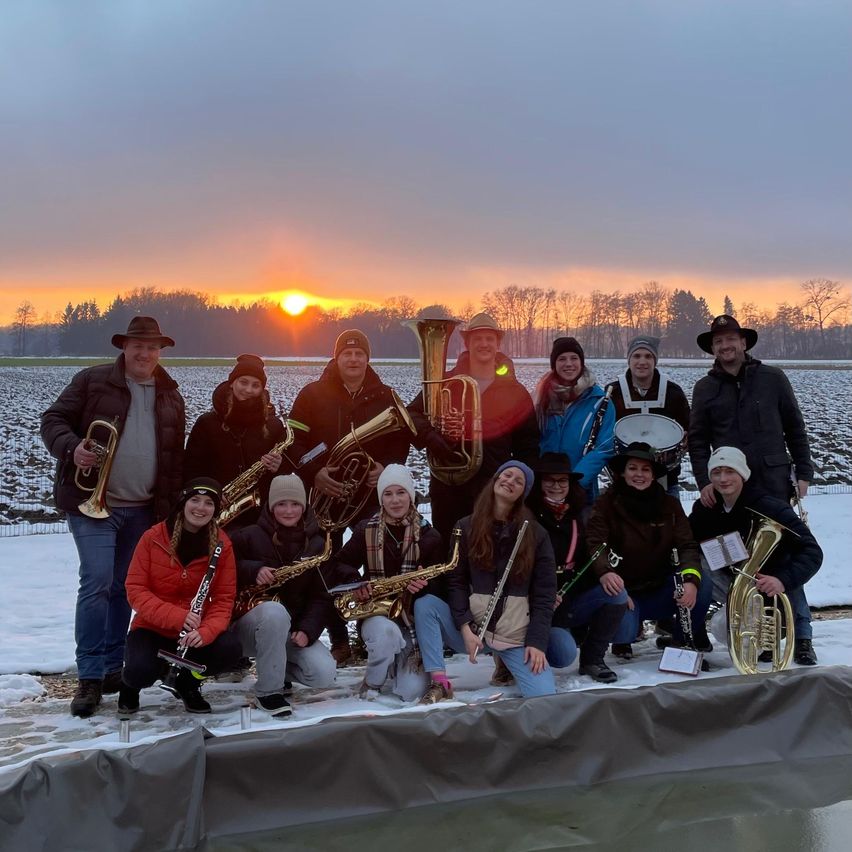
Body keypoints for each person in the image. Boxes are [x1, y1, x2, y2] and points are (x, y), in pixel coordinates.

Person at [40, 316, 185, 718]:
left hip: (143, 510)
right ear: (124, 348)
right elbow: (52, 420)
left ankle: (110, 667)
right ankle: (88, 675)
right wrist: (73, 449)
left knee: (125, 587)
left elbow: (174, 458)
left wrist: (171, 511)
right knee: (98, 582)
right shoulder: (92, 380)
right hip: (93, 505)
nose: (144, 353)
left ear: (161, 351)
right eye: (137, 345)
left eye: (152, 347)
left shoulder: (171, 394)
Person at [288, 329, 438, 665]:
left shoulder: (384, 395)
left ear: (367, 359)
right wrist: (316, 473)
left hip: (367, 498)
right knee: (325, 566)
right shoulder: (312, 394)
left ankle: (368, 630)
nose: (353, 360)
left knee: (375, 564)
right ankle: (339, 638)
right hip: (324, 495)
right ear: (337, 357)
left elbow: (401, 441)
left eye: (360, 354)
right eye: (347, 354)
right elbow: (294, 444)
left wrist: (385, 468)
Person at [689, 314, 817, 662]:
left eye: (731, 339)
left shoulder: (772, 378)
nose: (725, 346)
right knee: (739, 557)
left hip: (773, 484)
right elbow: (698, 441)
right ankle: (756, 627)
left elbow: (795, 427)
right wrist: (705, 482)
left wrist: (803, 471)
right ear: (712, 349)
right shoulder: (705, 388)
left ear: (743, 343)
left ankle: (801, 634)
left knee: (786, 554)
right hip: (730, 489)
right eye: (718, 342)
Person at [413, 461, 557, 703]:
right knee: (425, 605)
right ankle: (440, 682)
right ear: (495, 479)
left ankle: (507, 662)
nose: (510, 481)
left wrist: (536, 642)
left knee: (544, 697)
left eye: (518, 481)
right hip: (474, 632)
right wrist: (465, 627)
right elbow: (456, 582)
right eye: (506, 475)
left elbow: (545, 594)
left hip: (513, 635)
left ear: (524, 492)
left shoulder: (536, 533)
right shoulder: (465, 526)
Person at [408, 313, 540, 550]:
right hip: (449, 486)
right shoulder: (444, 382)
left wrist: (518, 484)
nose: (484, 344)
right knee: (449, 550)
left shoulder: (516, 391)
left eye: (490, 338)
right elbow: (411, 415)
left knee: (487, 551)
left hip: (493, 488)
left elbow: (528, 444)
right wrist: (431, 437)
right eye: (477, 338)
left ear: (498, 344)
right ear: (467, 343)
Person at [689, 447, 823, 666]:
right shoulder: (706, 508)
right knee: (697, 566)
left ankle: (801, 638)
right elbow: (688, 543)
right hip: (735, 581)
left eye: (730, 471)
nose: (723, 479)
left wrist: (782, 579)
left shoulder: (770, 506)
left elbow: (812, 551)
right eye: (717, 472)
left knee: (790, 562)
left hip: (773, 586)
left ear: (743, 474)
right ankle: (695, 634)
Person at [119, 479, 242, 715]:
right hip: (152, 628)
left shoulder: (222, 544)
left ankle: (188, 683)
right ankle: (129, 685)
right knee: (139, 671)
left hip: (194, 632)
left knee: (230, 649)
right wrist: (178, 616)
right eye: (195, 500)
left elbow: (224, 599)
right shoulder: (153, 537)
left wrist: (205, 632)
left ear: (215, 509)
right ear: (183, 503)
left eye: (208, 503)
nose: (200, 508)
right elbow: (135, 589)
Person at [323, 464, 444, 701]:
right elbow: (338, 565)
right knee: (386, 635)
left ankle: (394, 661)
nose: (395, 500)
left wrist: (423, 587)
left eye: (401, 493)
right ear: (381, 498)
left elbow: (441, 587)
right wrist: (358, 582)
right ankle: (373, 682)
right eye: (388, 494)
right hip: (376, 614)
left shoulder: (430, 536)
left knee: (411, 693)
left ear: (411, 495)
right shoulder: (365, 530)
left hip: (412, 619)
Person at [585, 442, 712, 659]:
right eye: (633, 468)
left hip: (661, 589)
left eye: (646, 469)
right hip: (623, 593)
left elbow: (687, 546)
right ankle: (623, 638)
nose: (639, 474)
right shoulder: (605, 504)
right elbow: (595, 544)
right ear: (623, 473)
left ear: (653, 475)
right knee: (623, 631)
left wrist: (691, 580)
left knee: (703, 583)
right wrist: (606, 573)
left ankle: (681, 642)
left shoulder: (670, 505)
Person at [229, 474, 337, 716]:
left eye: (295, 504)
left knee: (323, 675)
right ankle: (268, 692)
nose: (288, 511)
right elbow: (221, 571)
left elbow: (322, 596)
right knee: (275, 612)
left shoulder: (317, 544)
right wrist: (252, 570)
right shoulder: (246, 536)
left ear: (304, 506)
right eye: (281, 504)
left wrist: (308, 630)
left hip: (290, 630)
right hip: (246, 630)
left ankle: (274, 669)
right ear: (270, 506)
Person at [528, 453, 628, 683]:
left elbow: (593, 550)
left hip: (570, 601)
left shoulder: (579, 517)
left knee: (616, 593)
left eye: (562, 481)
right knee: (563, 654)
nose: (556, 486)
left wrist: (606, 573)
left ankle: (593, 659)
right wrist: (540, 595)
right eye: (550, 481)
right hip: (537, 609)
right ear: (540, 484)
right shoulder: (528, 517)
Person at [184, 354, 288, 528]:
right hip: (215, 512)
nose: (248, 390)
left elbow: (286, 473)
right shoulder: (207, 423)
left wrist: (279, 466)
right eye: (243, 382)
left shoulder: (274, 426)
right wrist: (211, 490)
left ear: (262, 389)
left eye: (256, 385)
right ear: (232, 383)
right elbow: (191, 469)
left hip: (260, 519)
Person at [605, 335, 690, 495]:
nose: (642, 361)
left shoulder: (673, 393)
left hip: (666, 481)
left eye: (648, 356)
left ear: (655, 360)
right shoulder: (613, 392)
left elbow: (688, 428)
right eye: (636, 356)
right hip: (622, 483)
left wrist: (685, 439)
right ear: (629, 360)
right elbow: (602, 434)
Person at [536, 337, 615, 506]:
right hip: (544, 486)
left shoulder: (599, 400)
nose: (568, 364)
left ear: (582, 362)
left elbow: (604, 448)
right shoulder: (540, 398)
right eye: (562, 359)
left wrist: (576, 483)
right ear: (554, 364)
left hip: (581, 490)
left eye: (574, 358)